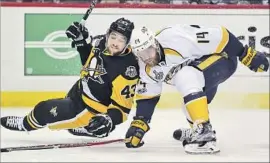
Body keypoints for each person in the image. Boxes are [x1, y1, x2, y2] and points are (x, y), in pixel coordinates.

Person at [124, 24, 269, 154]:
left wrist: (245, 53)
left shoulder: (175, 39)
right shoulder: (145, 67)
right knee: (187, 106)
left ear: (154, 43)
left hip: (223, 59)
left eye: (149, 50)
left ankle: (204, 131)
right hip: (200, 73)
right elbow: (148, 97)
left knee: (185, 75)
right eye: (141, 54)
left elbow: (221, 35)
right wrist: (140, 124)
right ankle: (198, 129)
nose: (147, 57)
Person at [1, 17, 139, 139]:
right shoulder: (101, 41)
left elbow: (123, 109)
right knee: (69, 123)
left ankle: (25, 124)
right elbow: (88, 61)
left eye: (122, 40)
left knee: (44, 109)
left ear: (127, 43)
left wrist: (108, 120)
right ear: (108, 33)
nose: (115, 43)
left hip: (89, 108)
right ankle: (87, 128)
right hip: (80, 90)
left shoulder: (127, 69)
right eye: (114, 37)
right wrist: (80, 41)